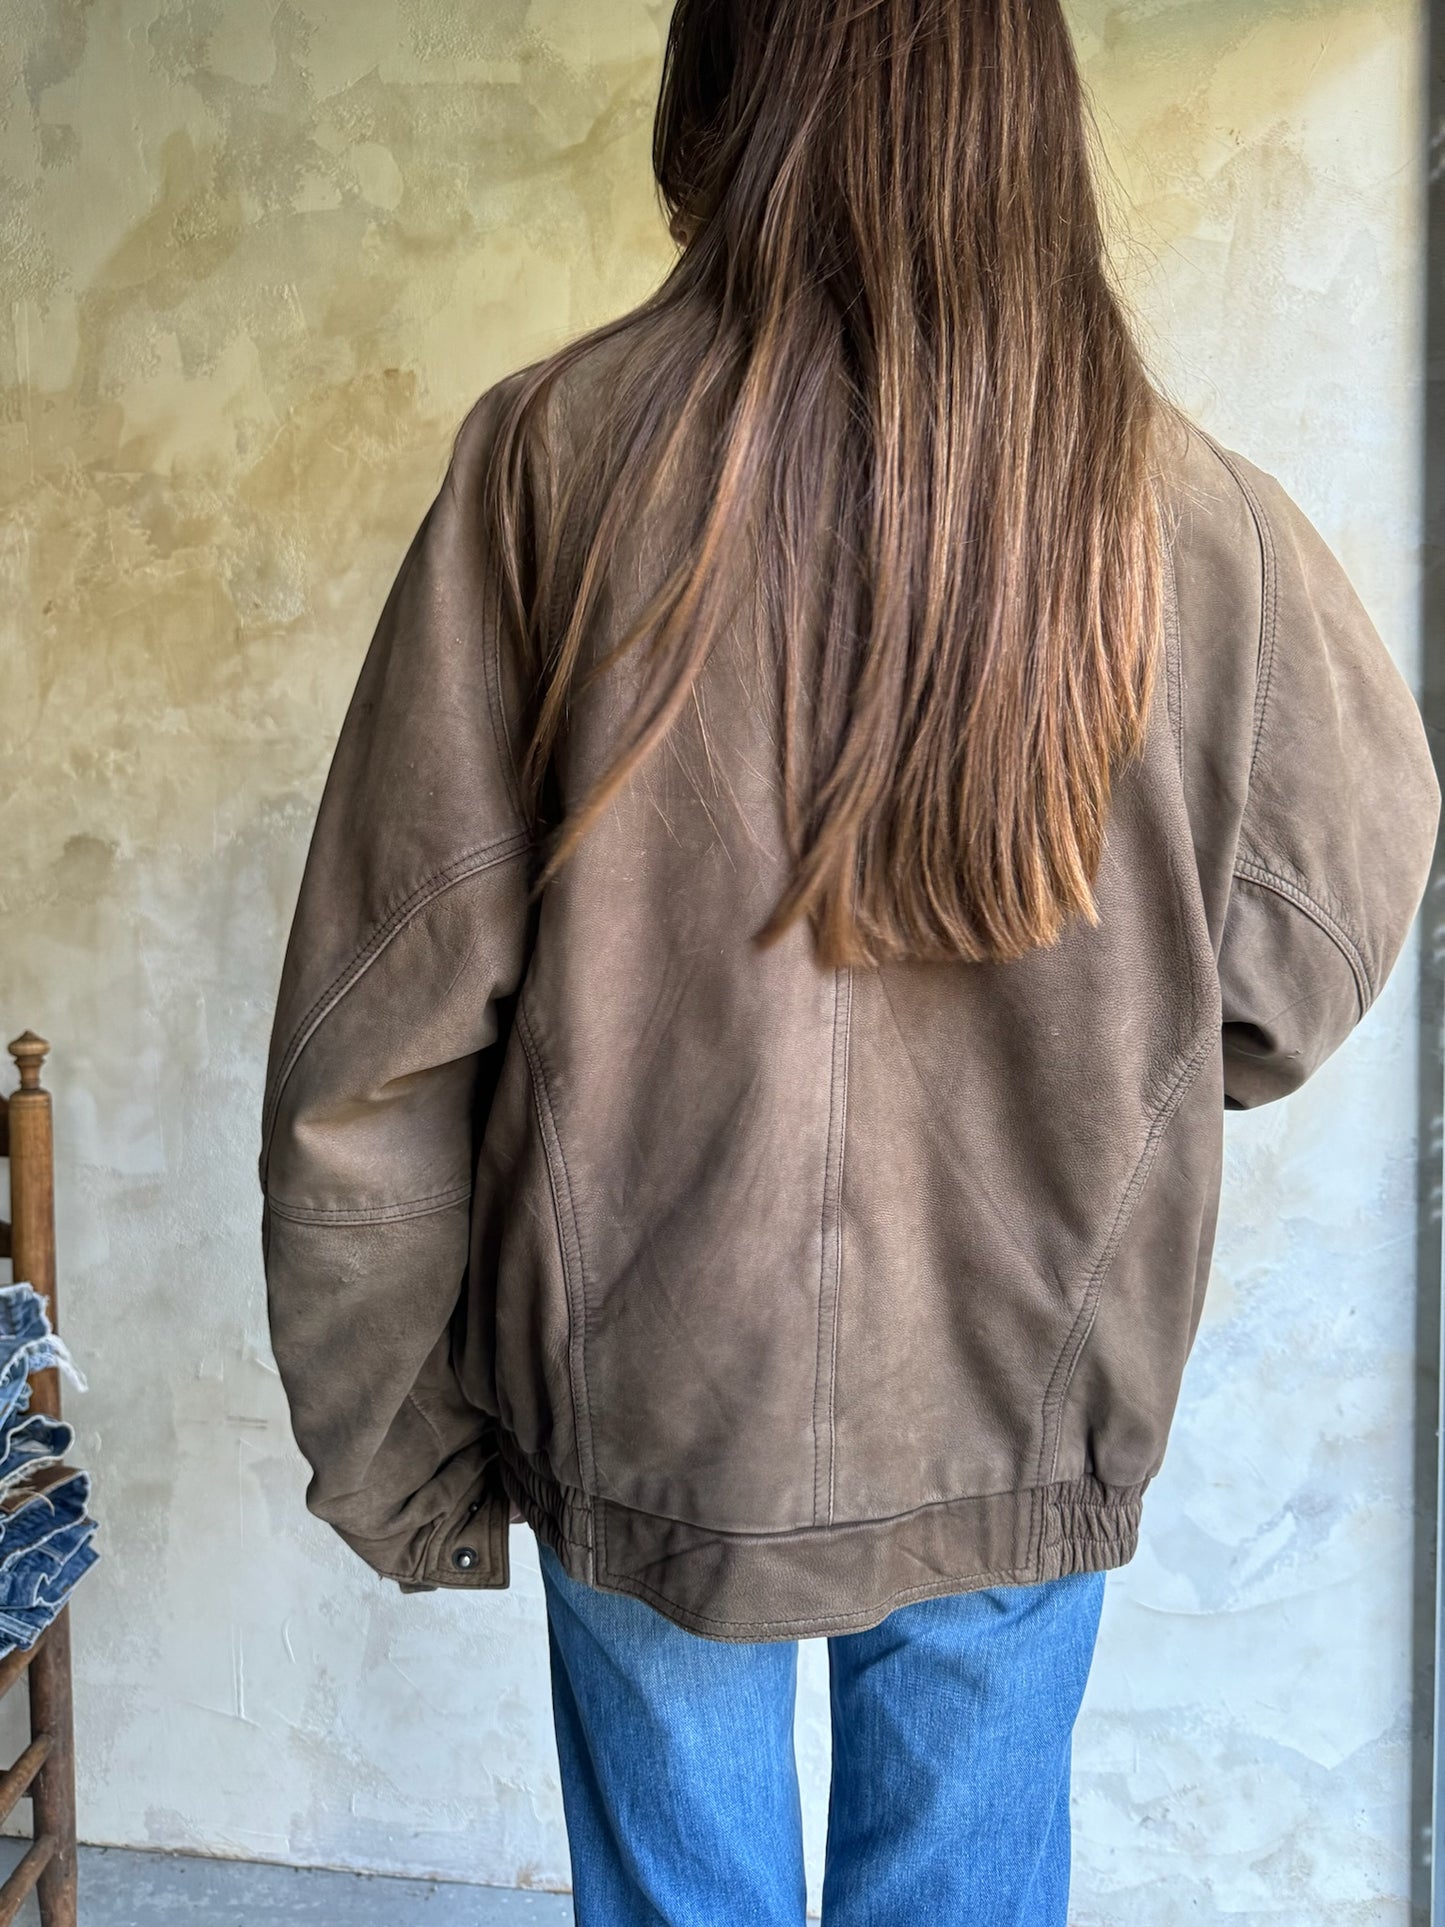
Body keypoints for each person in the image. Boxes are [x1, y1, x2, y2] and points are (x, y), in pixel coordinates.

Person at [256, 1, 1441, 1920]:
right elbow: (1312, 945)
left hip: (649, 1397)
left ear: (724, 85)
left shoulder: (552, 462)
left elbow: (376, 1031)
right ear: (1027, 116)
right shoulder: (1185, 515)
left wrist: (392, 1441)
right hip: (1013, 1377)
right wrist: (1117, 1069)